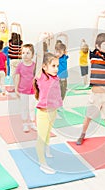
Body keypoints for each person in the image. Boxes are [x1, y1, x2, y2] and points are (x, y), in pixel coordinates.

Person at [76, 33, 105, 157]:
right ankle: (82, 134)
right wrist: (99, 18)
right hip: (95, 96)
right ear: (97, 46)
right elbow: (94, 34)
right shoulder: (94, 56)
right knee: (88, 118)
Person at [34, 34, 62, 173]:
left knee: (47, 135)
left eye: (57, 65)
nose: (56, 68)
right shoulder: (42, 77)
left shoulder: (54, 77)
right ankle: (42, 163)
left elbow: (50, 56)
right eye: (53, 66)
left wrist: (50, 41)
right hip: (43, 113)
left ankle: (48, 149)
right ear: (44, 67)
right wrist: (42, 40)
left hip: (53, 112)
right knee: (41, 138)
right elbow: (41, 57)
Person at [14, 44, 37, 132]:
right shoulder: (20, 65)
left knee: (31, 107)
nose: (25, 55)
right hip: (23, 91)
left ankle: (32, 123)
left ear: (32, 55)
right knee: (24, 108)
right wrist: (16, 89)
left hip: (32, 91)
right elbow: (17, 77)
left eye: (28, 53)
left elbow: (37, 78)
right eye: (23, 53)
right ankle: (25, 124)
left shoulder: (34, 66)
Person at [0, 11, 10, 77]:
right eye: (2, 27)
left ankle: (8, 74)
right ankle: (2, 73)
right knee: (1, 61)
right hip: (1, 48)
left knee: (7, 61)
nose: (3, 28)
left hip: (6, 48)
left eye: (4, 27)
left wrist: (5, 15)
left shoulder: (7, 32)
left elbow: (7, 24)